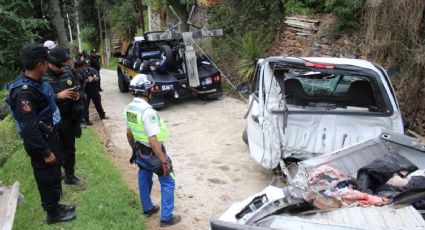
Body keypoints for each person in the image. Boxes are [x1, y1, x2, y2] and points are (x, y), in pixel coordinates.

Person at [8, 44, 76, 224]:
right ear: (40, 65)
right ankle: (52, 214)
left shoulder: (36, 84)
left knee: (54, 173)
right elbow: (29, 129)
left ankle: (56, 205)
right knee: (46, 176)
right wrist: (45, 152)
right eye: (46, 61)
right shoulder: (24, 93)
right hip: (40, 142)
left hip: (49, 135)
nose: (48, 64)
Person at [124, 74, 181, 227]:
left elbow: (129, 134)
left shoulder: (129, 108)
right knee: (168, 181)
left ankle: (148, 208)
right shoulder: (148, 112)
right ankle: (166, 218)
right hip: (153, 153)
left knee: (144, 176)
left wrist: (134, 150)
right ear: (145, 91)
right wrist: (164, 161)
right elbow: (153, 141)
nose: (152, 90)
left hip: (140, 151)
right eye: (150, 88)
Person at [43, 47, 84, 185]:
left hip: (67, 118)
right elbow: (39, 100)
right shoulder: (42, 77)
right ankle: (56, 176)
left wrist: (77, 95)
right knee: (54, 149)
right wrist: (57, 96)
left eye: (63, 65)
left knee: (69, 147)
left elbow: (81, 91)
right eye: (59, 65)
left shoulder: (69, 73)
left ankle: (70, 175)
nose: (62, 68)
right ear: (50, 63)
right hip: (50, 119)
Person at [81, 60, 108, 125]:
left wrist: (93, 78)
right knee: (85, 106)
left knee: (98, 102)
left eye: (87, 65)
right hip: (86, 90)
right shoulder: (80, 72)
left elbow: (98, 77)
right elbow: (81, 81)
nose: (86, 66)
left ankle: (102, 115)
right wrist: (87, 80)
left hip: (94, 88)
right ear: (82, 65)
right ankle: (86, 120)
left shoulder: (92, 70)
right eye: (85, 65)